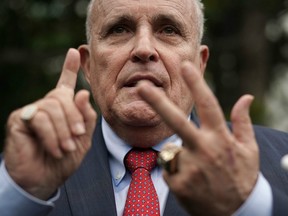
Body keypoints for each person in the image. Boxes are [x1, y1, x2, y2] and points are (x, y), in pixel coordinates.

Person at [1, 0, 288, 215]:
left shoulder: (279, 161)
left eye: (168, 30)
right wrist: (18, 195)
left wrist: (249, 205)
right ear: (88, 66)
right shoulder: (24, 172)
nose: (143, 48)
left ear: (200, 64)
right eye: (120, 29)